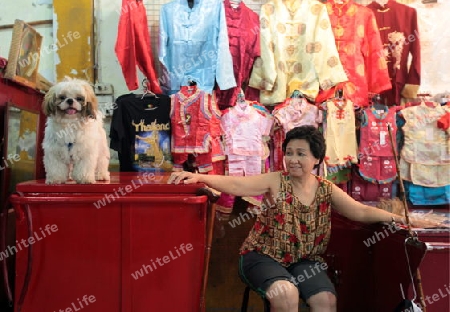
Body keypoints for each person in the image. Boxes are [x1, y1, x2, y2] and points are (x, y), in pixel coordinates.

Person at [168, 125, 439, 312]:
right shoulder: (276, 180)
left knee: (325, 299)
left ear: (317, 159)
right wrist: (200, 176)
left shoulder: (325, 188)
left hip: (305, 261)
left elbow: (361, 211)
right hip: (263, 256)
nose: (292, 159)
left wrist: (400, 219)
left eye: (301, 154)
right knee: (285, 293)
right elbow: (238, 184)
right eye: (289, 153)